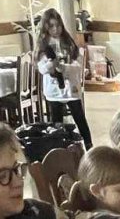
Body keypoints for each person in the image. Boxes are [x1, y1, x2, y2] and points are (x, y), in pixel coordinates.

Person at [34, 8, 92, 147]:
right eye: (51, 26)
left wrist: (64, 67)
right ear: (46, 27)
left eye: (58, 25)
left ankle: (89, 145)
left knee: (80, 118)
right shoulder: (44, 45)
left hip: (71, 87)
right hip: (54, 90)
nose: (56, 29)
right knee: (57, 122)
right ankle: (59, 149)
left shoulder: (68, 42)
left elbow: (78, 65)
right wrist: (51, 64)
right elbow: (41, 68)